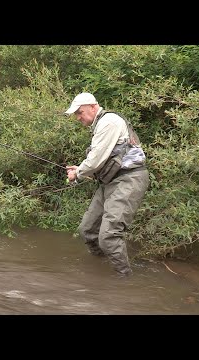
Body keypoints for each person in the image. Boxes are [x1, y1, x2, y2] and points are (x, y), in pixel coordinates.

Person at [65, 92, 149, 276]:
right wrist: (80, 168)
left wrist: (77, 174)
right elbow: (103, 158)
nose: (78, 117)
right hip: (110, 182)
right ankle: (101, 268)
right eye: (76, 114)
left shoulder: (109, 121)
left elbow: (95, 160)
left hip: (128, 179)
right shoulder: (101, 124)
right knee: (87, 230)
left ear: (93, 107)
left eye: (80, 112)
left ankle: (124, 279)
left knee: (109, 236)